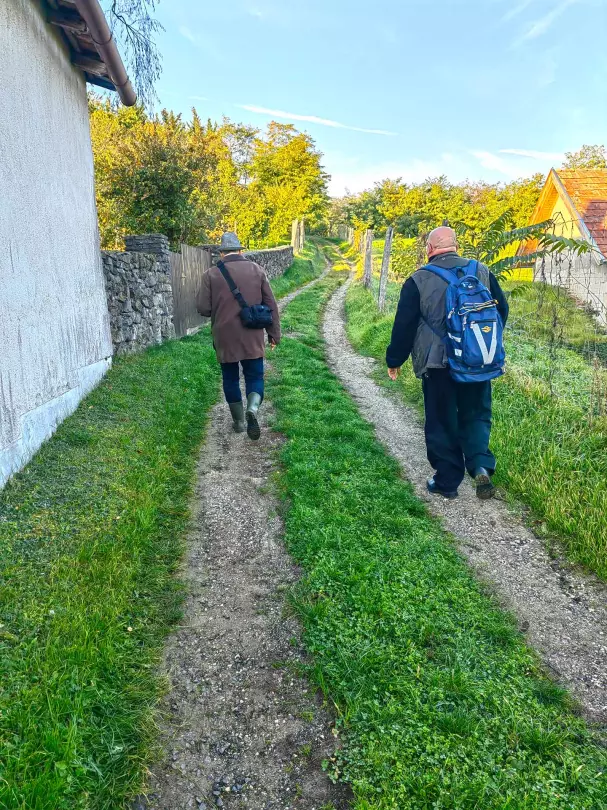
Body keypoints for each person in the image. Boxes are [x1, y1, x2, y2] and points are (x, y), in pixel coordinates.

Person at [385, 226, 509, 500]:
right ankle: (480, 465)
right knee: (476, 414)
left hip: (438, 364)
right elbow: (501, 311)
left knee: (441, 421)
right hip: (477, 363)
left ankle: (447, 481)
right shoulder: (482, 272)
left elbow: (403, 326)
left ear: (429, 249)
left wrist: (395, 360)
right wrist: (481, 346)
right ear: (456, 246)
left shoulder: (418, 280)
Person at [196, 232, 281, 440]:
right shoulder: (257, 270)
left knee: (231, 378)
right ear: (241, 250)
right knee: (255, 376)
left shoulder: (211, 274)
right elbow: (271, 305)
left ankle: (239, 422)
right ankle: (253, 408)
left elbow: (203, 308)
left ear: (221, 252)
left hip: (225, 336)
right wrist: (273, 334)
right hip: (252, 333)